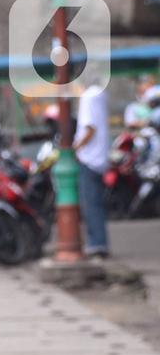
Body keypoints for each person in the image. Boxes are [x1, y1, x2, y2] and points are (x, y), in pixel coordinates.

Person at [75, 80, 111, 259]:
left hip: (89, 158)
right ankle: (99, 242)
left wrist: (74, 148)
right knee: (96, 203)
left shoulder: (87, 97)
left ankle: (97, 244)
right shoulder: (100, 94)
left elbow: (90, 129)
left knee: (91, 205)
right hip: (100, 158)